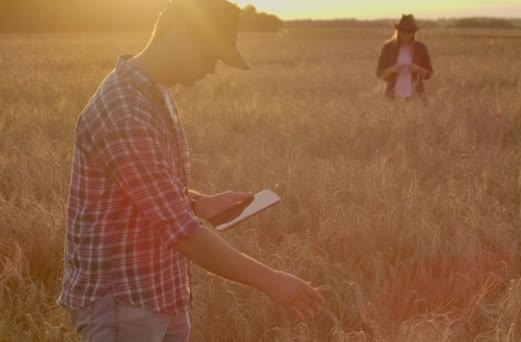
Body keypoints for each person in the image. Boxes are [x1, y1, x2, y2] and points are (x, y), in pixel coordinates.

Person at [57, 0, 324, 340]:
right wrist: (270, 280)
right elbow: (180, 231)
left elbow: (147, 186)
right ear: (180, 33)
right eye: (210, 54)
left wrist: (200, 203)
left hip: (161, 290)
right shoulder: (124, 109)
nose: (211, 69)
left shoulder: (153, 93)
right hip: (123, 299)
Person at [376, 14, 434, 100]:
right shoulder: (388, 48)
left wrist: (417, 68)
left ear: (414, 33)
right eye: (403, 33)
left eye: (409, 33)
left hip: (416, 96)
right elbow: (380, 74)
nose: (406, 36)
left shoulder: (421, 48)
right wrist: (393, 69)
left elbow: (429, 73)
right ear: (398, 31)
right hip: (392, 96)